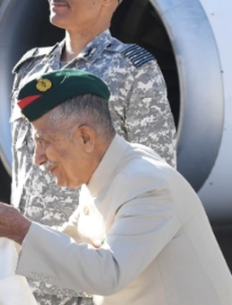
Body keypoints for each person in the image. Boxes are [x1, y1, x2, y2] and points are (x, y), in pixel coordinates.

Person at [0, 70, 232, 305]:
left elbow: (109, 273)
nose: (38, 157)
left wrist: (19, 229)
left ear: (85, 137)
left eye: (44, 142)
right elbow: (74, 240)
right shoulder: (111, 173)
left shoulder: (147, 184)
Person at [10, 0, 176, 302]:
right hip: (26, 276)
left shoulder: (132, 70)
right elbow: (23, 169)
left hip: (88, 280)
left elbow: (157, 178)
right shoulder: (30, 69)